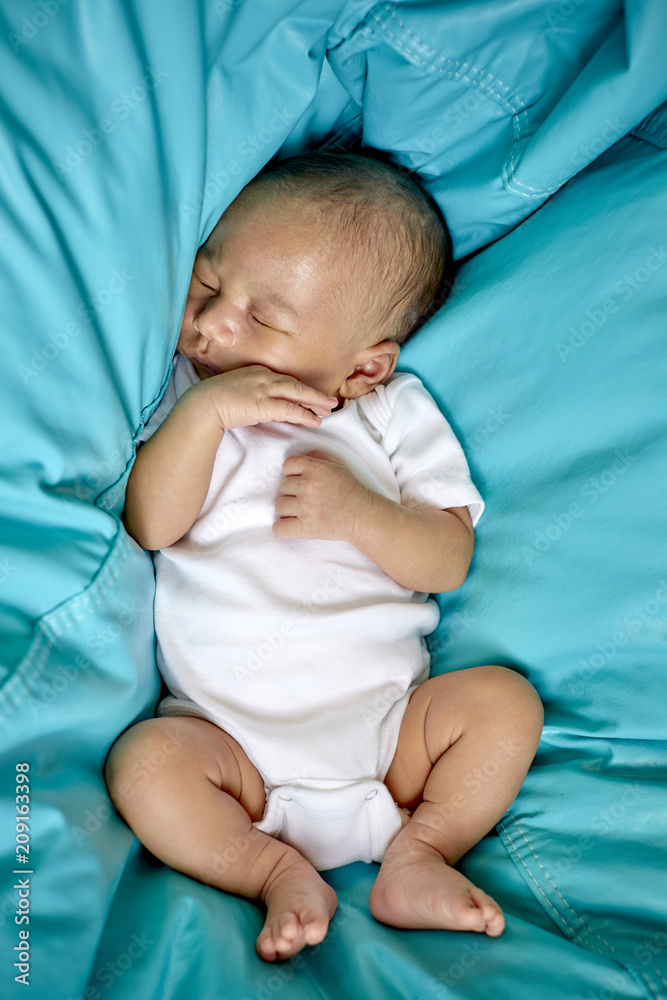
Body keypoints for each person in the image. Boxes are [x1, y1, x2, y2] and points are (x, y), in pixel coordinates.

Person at [104, 150, 543, 964]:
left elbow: (444, 560)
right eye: (207, 287)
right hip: (229, 753)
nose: (212, 325)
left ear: (362, 366)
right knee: (145, 764)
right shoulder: (184, 397)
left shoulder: (390, 416)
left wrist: (363, 517)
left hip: (390, 746)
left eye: (262, 319)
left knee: (502, 705)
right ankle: (269, 867)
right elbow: (154, 525)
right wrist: (203, 417)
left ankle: (420, 852)